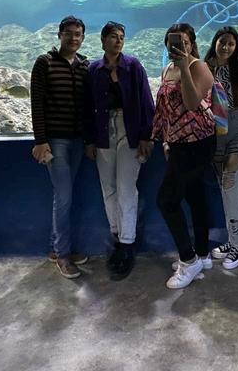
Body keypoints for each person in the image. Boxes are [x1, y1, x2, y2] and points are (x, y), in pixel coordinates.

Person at [84, 21, 154, 281]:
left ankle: (127, 243)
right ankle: (117, 234)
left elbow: (146, 100)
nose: (118, 40)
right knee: (108, 187)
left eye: (122, 36)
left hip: (129, 128)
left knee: (126, 187)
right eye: (113, 36)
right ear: (103, 40)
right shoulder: (94, 69)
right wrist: (89, 140)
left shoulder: (133, 66)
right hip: (103, 130)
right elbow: (87, 106)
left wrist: (147, 135)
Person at [153, 23, 216, 289]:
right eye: (174, 43)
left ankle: (188, 261)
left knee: (166, 200)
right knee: (194, 196)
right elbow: (165, 109)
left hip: (197, 143)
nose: (179, 47)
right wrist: (165, 138)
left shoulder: (199, 67)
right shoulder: (167, 69)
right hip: (178, 142)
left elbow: (191, 104)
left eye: (185, 42)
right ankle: (201, 254)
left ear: (191, 44)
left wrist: (185, 67)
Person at [30, 15, 89, 280]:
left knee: (65, 196)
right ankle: (63, 255)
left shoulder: (85, 66)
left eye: (78, 34)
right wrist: (41, 141)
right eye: (69, 33)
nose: (73, 38)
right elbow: (37, 104)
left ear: (83, 37)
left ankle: (58, 248)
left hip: (77, 141)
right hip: (55, 141)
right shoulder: (44, 62)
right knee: (64, 197)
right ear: (59, 35)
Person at [204, 26, 238, 270]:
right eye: (222, 42)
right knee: (224, 188)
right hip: (214, 130)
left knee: (230, 182)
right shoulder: (204, 67)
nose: (226, 47)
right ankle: (233, 239)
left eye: (231, 44)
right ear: (215, 42)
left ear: (236, 47)